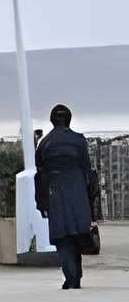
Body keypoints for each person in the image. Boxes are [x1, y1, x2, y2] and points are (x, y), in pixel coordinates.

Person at [35, 103, 99, 289]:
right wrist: (91, 200)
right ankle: (76, 277)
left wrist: (41, 203)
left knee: (62, 237)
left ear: (52, 120)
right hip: (78, 193)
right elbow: (88, 172)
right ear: (69, 119)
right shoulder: (79, 141)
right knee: (78, 234)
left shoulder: (45, 143)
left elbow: (40, 176)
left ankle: (70, 277)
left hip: (55, 194)